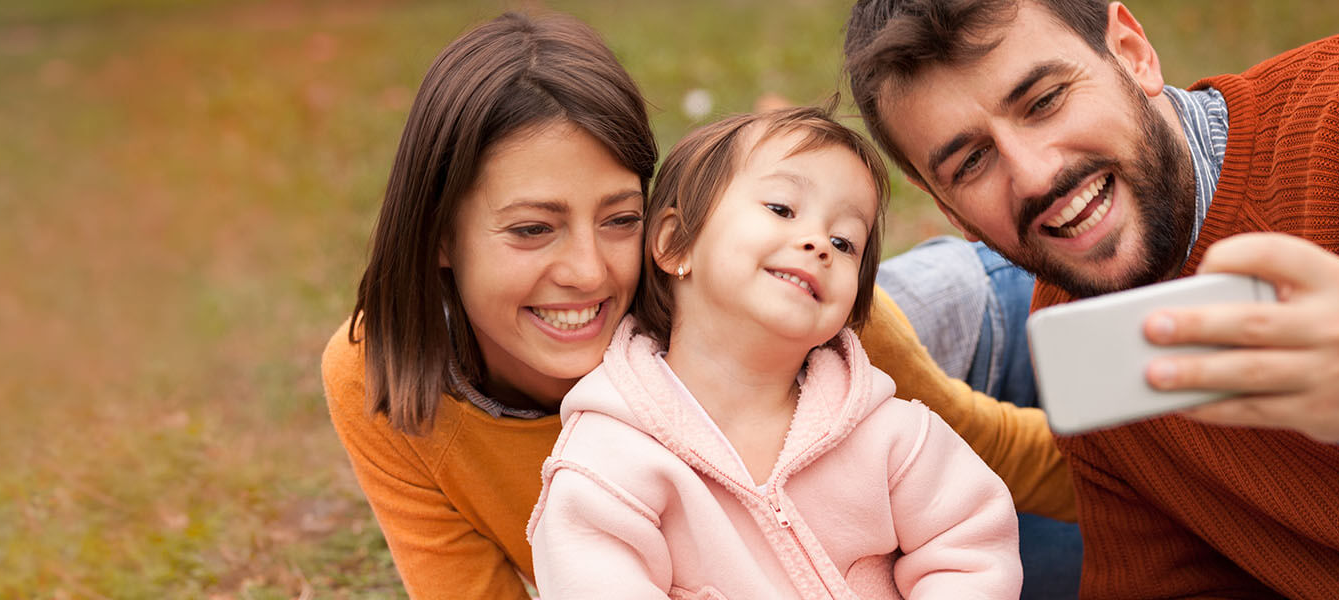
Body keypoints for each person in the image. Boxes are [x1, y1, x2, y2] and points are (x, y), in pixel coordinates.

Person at [840, 0, 1339, 596]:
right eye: (970, 162)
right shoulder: (1082, 337)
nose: (1035, 173)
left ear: (1132, 52)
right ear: (948, 210)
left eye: (1045, 100)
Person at [324, 11, 1073, 598]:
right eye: (530, 229)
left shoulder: (799, 295)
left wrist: (1170, 464)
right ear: (439, 236)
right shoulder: (382, 379)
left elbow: (982, 453)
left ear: (663, 236)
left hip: (996, 324)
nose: (588, 271)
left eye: (621, 217)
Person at [528, 106, 1020, 598]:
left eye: (844, 242)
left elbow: (971, 550)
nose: (818, 245)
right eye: (782, 209)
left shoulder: (890, 437)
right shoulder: (608, 467)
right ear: (677, 242)